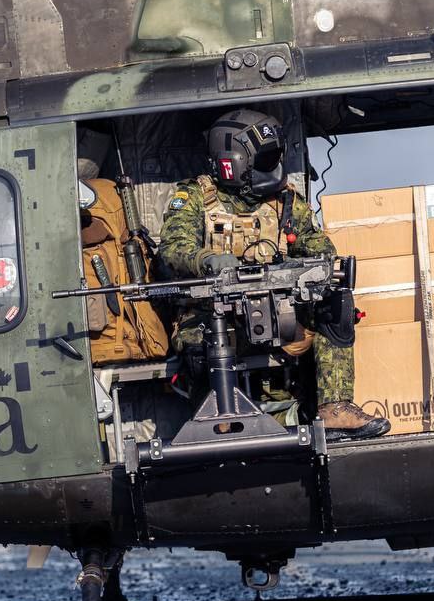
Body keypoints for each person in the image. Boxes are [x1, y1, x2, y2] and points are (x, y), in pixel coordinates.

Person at [156, 108, 390, 441]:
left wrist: (295, 270)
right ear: (234, 161)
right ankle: (222, 426)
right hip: (213, 318)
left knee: (337, 304)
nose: (273, 169)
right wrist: (209, 260)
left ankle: (334, 408)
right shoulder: (193, 197)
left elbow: (321, 248)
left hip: (280, 314)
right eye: (263, 161)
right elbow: (174, 249)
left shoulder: (285, 202)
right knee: (202, 340)